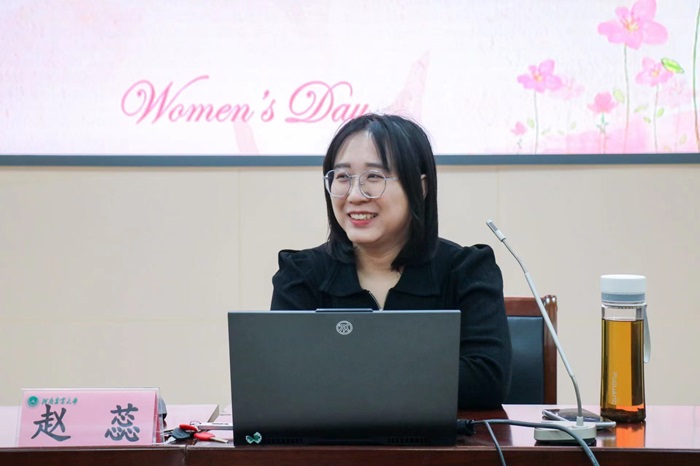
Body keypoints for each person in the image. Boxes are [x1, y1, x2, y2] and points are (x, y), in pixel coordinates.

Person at [271, 113, 512, 409]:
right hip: (331, 439)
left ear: (420, 188)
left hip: (438, 440)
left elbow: (486, 382)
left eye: (374, 177)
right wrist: (415, 374)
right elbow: (283, 380)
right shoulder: (301, 274)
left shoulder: (467, 270)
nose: (355, 195)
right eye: (343, 177)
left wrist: (344, 374)